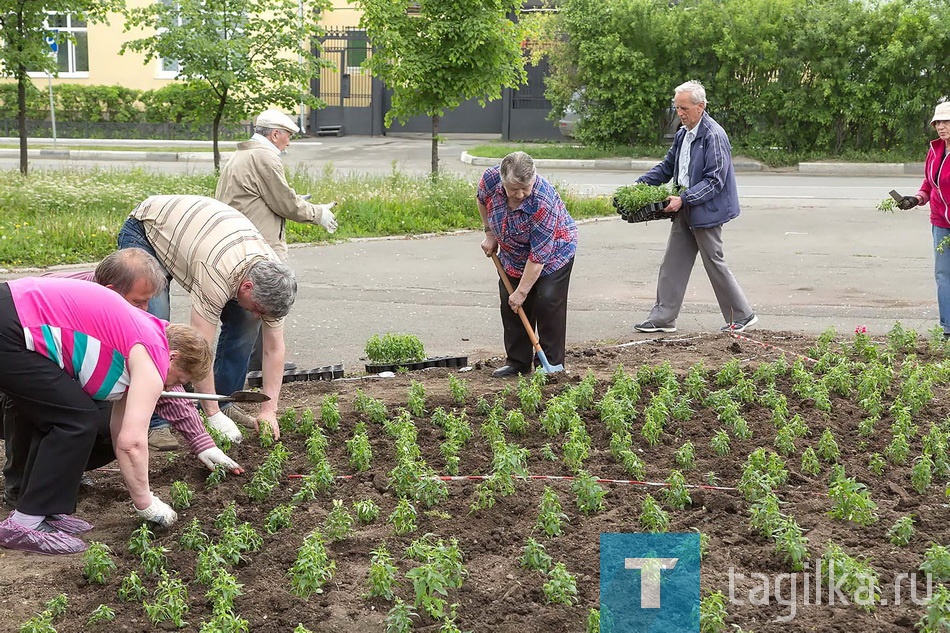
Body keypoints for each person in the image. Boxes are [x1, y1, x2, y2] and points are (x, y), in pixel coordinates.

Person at [1, 249, 242, 509]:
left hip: (38, 358)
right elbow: (153, 377)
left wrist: (201, 441)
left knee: (91, 417)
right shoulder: (81, 298)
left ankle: (56, 479)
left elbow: (158, 380)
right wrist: (145, 502)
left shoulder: (134, 322)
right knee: (69, 415)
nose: (145, 309)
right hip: (15, 356)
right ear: (112, 291)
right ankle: (23, 491)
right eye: (139, 301)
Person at [0, 277, 212, 554]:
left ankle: (44, 511)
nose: (171, 387)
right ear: (173, 356)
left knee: (66, 416)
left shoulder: (149, 334)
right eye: (178, 379)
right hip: (12, 326)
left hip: (13, 314)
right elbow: (132, 443)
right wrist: (146, 502)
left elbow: (119, 427)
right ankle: (25, 523)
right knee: (76, 419)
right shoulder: (153, 355)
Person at [117, 195, 297, 441]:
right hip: (149, 229)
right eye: (257, 307)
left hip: (204, 235)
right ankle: (157, 421)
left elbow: (274, 349)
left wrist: (269, 410)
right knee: (155, 326)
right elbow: (199, 346)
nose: (259, 314)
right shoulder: (216, 271)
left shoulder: (273, 280)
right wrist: (211, 417)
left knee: (247, 323)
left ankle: (223, 402)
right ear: (246, 286)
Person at [215, 108, 338, 374]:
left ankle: (256, 365)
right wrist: (318, 214)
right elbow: (285, 203)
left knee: (251, 310)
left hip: (236, 241)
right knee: (251, 311)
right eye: (287, 137)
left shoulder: (243, 155)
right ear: (274, 134)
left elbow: (267, 197)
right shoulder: (265, 158)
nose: (288, 143)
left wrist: (300, 203)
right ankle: (239, 377)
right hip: (256, 246)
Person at [632, 80, 757, 334]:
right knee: (673, 263)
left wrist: (684, 198)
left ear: (701, 106)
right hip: (685, 207)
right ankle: (663, 318)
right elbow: (667, 167)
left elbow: (715, 180)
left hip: (707, 211)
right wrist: (638, 185)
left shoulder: (713, 135)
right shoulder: (683, 134)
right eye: (677, 108)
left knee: (714, 262)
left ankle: (743, 315)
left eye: (684, 108)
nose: (679, 113)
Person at [477, 151, 577, 377]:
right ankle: (518, 363)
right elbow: (481, 200)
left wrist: (522, 292)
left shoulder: (543, 201)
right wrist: (489, 233)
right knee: (509, 301)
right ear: (503, 181)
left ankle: (551, 366)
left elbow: (538, 256)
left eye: (526, 188)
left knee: (548, 299)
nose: (521, 194)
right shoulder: (490, 179)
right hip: (513, 253)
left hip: (553, 253)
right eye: (514, 189)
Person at [896, 102, 950, 337]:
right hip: (940, 222)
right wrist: (916, 199)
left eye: (946, 122)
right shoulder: (935, 150)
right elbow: (929, 184)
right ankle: (948, 328)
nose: (941, 127)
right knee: (943, 275)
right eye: (938, 122)